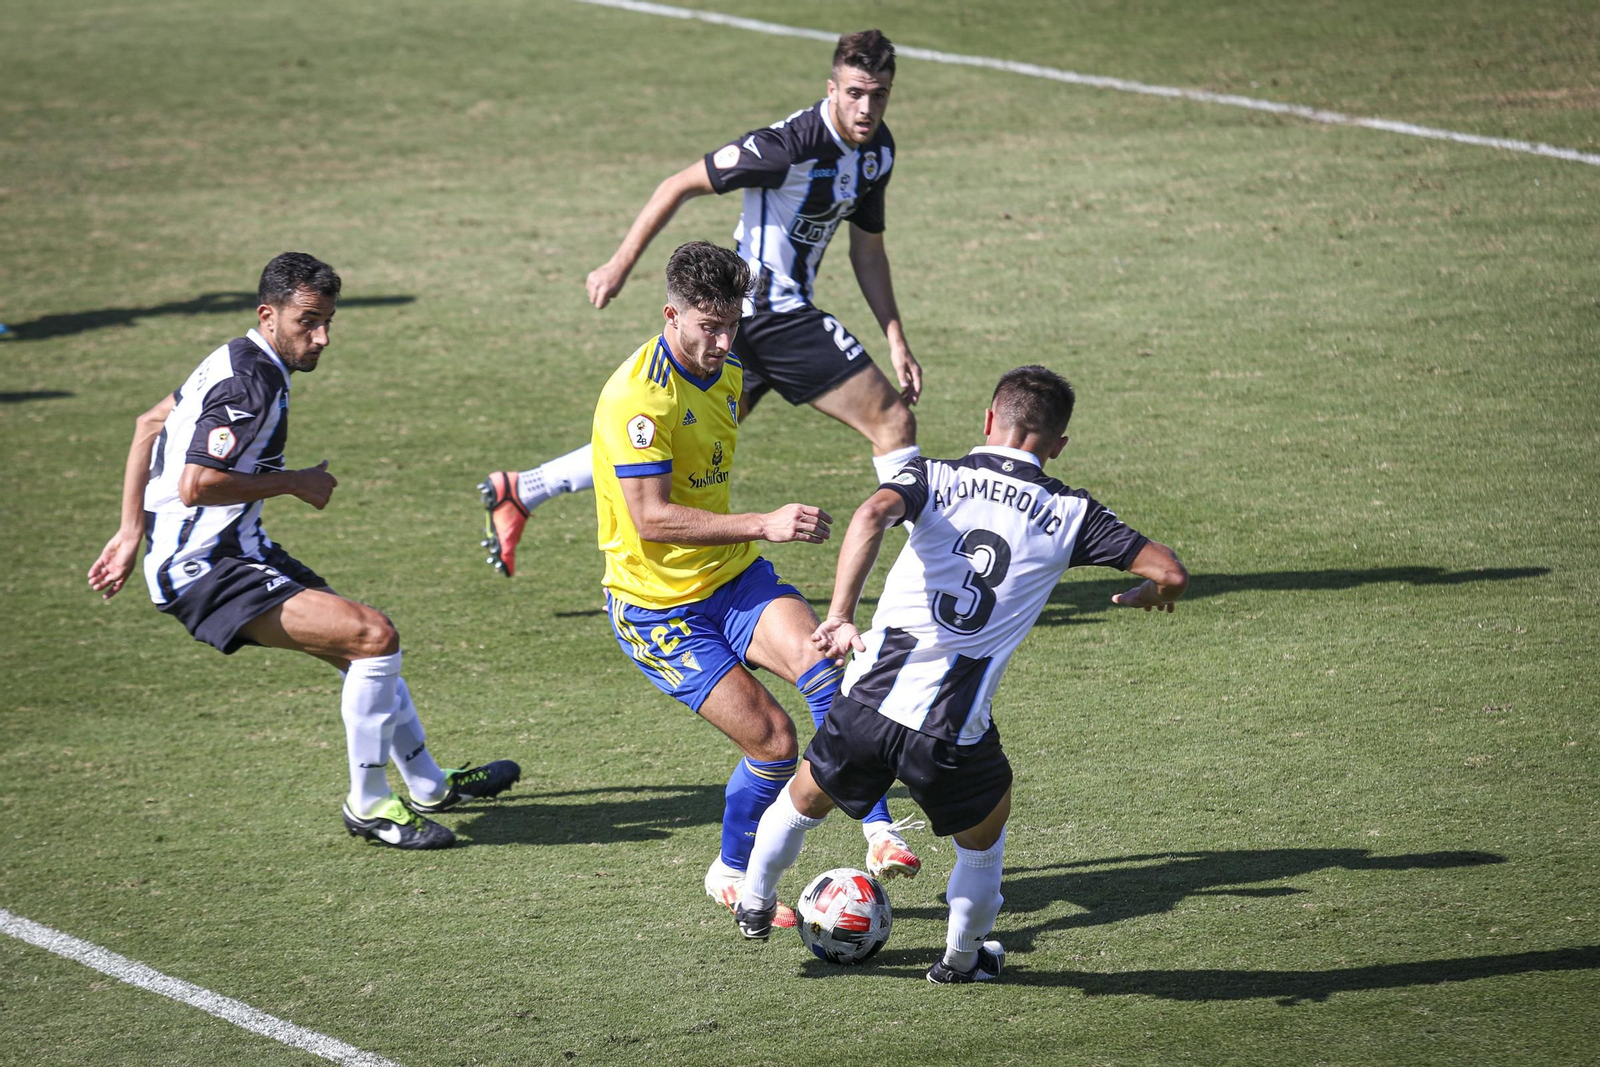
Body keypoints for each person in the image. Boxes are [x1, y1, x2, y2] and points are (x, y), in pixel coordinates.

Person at [729, 365, 1190, 983]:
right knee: (983, 843)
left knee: (802, 800)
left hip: (868, 700)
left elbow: (869, 516)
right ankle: (961, 960)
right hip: (951, 731)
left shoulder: (936, 476)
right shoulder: (1073, 513)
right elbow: (1171, 572)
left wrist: (840, 616)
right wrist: (1150, 593)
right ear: (1057, 446)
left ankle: (755, 905)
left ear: (988, 420)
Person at [87, 252, 520, 850]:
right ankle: (369, 806)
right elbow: (196, 483)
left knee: (364, 653)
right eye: (307, 322)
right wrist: (294, 480)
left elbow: (148, 424)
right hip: (205, 569)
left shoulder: (237, 358)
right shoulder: (251, 380)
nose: (321, 338)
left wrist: (131, 531)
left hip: (241, 549)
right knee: (372, 637)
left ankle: (427, 785)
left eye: (328, 323)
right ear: (269, 316)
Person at [480, 28, 922, 580]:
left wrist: (896, 337)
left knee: (675, 441)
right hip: (767, 311)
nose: (867, 106)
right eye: (855, 92)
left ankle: (523, 489)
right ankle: (931, 574)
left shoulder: (878, 150)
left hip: (748, 326)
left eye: (879, 94)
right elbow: (677, 184)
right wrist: (618, 265)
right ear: (831, 87)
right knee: (892, 421)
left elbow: (868, 249)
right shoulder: (786, 148)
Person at [592, 242, 922, 925]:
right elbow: (650, 519)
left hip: (731, 577)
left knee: (827, 662)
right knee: (773, 743)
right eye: (706, 327)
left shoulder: (733, 370)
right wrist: (763, 523)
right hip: (658, 610)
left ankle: (881, 832)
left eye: (731, 325)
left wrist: (748, 536)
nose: (720, 342)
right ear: (670, 315)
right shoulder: (639, 396)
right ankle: (731, 870)